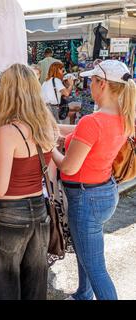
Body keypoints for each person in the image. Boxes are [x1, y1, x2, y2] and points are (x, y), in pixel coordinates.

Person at [52, 60, 136, 300]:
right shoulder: (122, 117)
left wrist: (48, 147)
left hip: (85, 197)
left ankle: (87, 294)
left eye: (92, 81)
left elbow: (68, 166)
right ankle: (83, 294)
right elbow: (80, 132)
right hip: (103, 191)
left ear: (102, 84)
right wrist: (51, 127)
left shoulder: (93, 121)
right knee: (85, 253)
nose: (89, 86)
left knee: (95, 267)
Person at [0, 64, 58, 300]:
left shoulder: (9, 131)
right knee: (35, 286)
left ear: (9, 92)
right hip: (39, 211)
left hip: (9, 216)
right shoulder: (46, 125)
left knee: (4, 286)